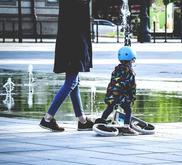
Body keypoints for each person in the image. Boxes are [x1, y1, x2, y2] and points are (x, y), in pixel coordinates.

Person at [39, 0, 94, 132]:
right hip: (75, 43)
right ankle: (47, 118)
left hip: (70, 42)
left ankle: (82, 121)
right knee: (71, 82)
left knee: (74, 82)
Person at [95, 46, 137, 136]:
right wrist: (132, 98)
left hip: (111, 94)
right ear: (131, 60)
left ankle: (102, 121)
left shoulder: (116, 70)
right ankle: (126, 127)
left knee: (110, 107)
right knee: (128, 110)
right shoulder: (130, 73)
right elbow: (131, 87)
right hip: (120, 96)